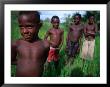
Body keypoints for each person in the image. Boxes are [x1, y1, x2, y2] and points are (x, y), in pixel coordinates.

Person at [11, 11, 50, 77]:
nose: (24, 31)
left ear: (39, 26)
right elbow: (11, 60)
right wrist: (23, 62)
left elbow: (42, 61)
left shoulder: (45, 45)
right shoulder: (16, 44)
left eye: (29, 26)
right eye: (21, 27)